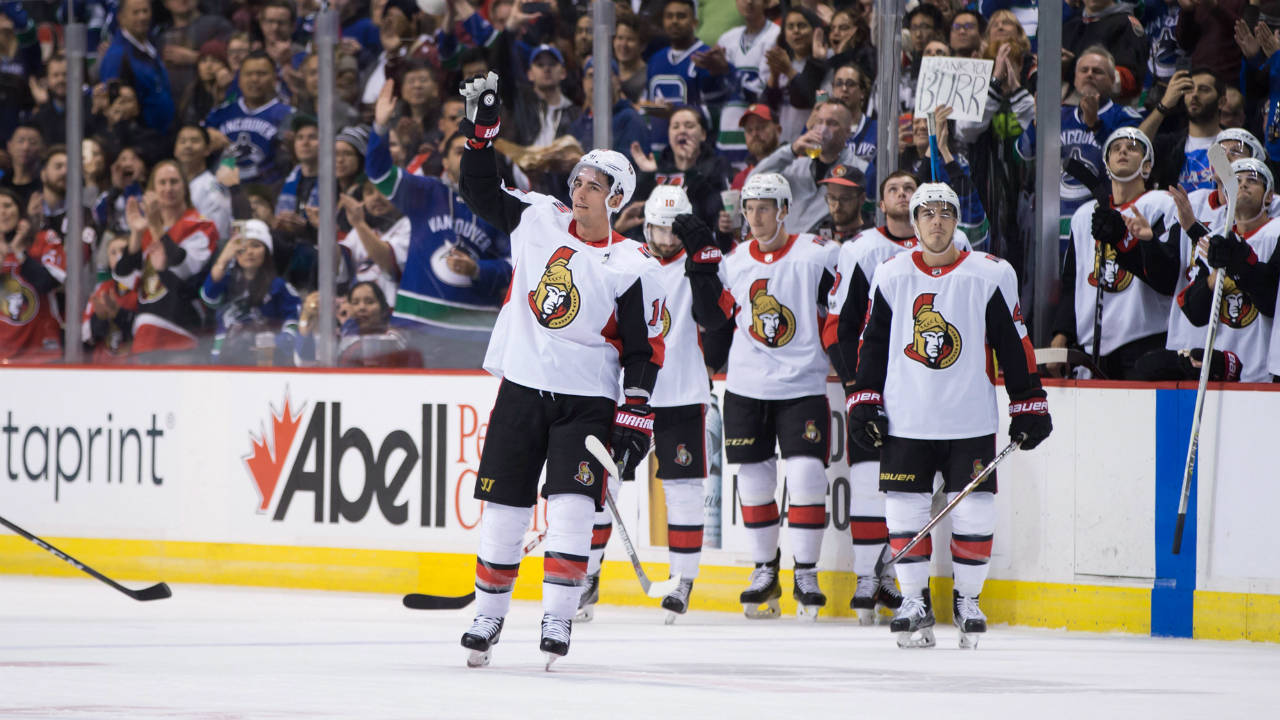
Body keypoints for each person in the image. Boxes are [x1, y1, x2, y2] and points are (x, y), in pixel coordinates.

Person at [453, 72, 666, 667]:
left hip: (587, 403)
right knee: (505, 509)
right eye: (578, 181)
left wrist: (637, 411)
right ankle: (488, 617)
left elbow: (642, 350)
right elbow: (479, 191)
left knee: (572, 509)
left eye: (596, 185)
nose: (581, 190)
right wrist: (481, 137)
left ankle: (558, 618)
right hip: (522, 389)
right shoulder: (537, 218)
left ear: (617, 200)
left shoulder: (632, 263)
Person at [847, 182, 1051, 649]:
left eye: (945, 213)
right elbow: (871, 343)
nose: (936, 221)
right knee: (904, 510)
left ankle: (968, 600)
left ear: (956, 221)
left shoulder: (990, 274)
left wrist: (1028, 400)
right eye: (927, 213)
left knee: (975, 510)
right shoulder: (891, 274)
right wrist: (864, 400)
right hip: (906, 418)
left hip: (969, 418)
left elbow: (1014, 343)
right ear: (915, 222)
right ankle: (914, 600)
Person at [679, 172, 838, 620]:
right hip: (746, 388)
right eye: (749, 209)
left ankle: (806, 572)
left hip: (803, 386)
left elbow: (842, 313)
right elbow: (716, 321)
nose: (756, 217)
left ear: (785, 210)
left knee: (806, 475)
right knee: (753, 479)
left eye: (765, 208)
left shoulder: (818, 256)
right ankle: (765, 569)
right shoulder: (733, 263)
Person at [823, 171, 970, 623]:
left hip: (933, 390)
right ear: (881, 202)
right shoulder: (862, 249)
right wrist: (857, 385)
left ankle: (901, 577)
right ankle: (869, 576)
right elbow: (840, 325)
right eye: (894, 190)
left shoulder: (958, 243)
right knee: (872, 485)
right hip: (879, 386)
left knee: (926, 495)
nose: (903, 195)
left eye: (910, 189)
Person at [576, 186, 719, 625]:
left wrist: (704, 262)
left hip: (682, 395)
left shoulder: (701, 267)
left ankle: (682, 581)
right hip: (628, 397)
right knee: (603, 491)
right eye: (659, 228)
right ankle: (588, 574)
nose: (666, 237)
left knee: (684, 492)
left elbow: (715, 318)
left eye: (675, 229)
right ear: (647, 226)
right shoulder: (628, 261)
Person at [369, 84, 511, 368]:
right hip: (417, 327)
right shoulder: (426, 192)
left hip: (474, 335)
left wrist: (478, 269)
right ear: (444, 161)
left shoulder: (503, 205)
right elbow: (380, 174)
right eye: (459, 151)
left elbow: (514, 265)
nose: (468, 155)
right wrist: (380, 127)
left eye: (474, 150)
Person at [1050, 128, 1179, 380]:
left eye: (1132, 148)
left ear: (1147, 165)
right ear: (1106, 163)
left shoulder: (1162, 204)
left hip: (1145, 344)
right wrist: (1061, 333)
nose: (1123, 151)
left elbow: (1167, 277)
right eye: (1116, 148)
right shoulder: (1084, 215)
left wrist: (1130, 240)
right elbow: (1072, 283)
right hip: (1092, 350)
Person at [1168, 159, 1278, 383]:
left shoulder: (1276, 233)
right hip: (1221, 368)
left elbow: (1270, 301)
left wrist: (1239, 265)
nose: (1243, 184)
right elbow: (1195, 313)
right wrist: (1213, 279)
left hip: (1266, 369)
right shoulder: (1213, 241)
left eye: (1252, 180)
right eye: (1236, 181)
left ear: (1268, 196)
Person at [749, 100, 866, 235]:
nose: (823, 129)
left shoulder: (860, 170)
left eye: (832, 123)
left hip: (832, 244)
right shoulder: (795, 166)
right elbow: (752, 183)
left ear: (848, 132)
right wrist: (791, 150)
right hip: (791, 244)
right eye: (819, 122)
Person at [200, 218, 299, 365]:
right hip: (224, 359)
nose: (249, 252)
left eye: (256, 245)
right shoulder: (226, 280)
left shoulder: (279, 286)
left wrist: (276, 341)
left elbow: (294, 320)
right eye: (242, 247)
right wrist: (223, 260)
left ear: (266, 251)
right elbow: (208, 298)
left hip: (264, 360)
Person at [204, 51, 295, 184]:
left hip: (269, 189)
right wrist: (205, 137)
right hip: (221, 188)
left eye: (261, 74)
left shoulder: (288, 116)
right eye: (248, 74)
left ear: (275, 79)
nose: (254, 79)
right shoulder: (220, 113)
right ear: (239, 79)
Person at [0, 188, 61, 362]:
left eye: (7, 206)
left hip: (40, 352)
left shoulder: (44, 239)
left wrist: (19, 251)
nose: (2, 211)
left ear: (20, 211)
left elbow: (47, 283)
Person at [1141, 68, 1225, 191]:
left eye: (1204, 89)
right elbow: (1136, 145)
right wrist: (1164, 104)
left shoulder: (1234, 143)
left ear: (1221, 102)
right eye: (1189, 89)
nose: (1194, 94)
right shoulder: (1170, 145)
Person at [99, 0, 175, 135]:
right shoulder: (116, 55)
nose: (142, 17)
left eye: (145, 11)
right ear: (121, 17)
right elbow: (113, 107)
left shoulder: (154, 45)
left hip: (164, 133)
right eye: (135, 12)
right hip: (139, 137)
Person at [808, 163, 866, 243]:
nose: (837, 206)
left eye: (845, 199)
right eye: (832, 198)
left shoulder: (872, 233)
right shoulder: (817, 234)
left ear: (862, 198)